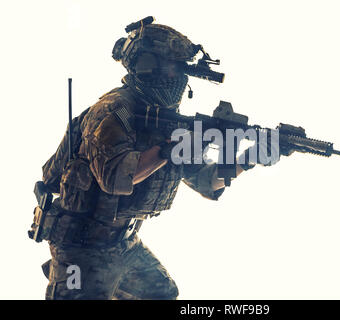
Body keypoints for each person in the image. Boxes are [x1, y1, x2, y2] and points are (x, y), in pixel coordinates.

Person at [37, 17, 290, 300]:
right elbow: (118, 177)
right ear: (147, 68)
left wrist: (250, 157)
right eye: (173, 71)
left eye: (183, 73)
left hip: (123, 243)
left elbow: (208, 184)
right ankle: (69, 280)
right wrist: (170, 149)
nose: (179, 80)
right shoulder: (114, 110)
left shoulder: (164, 119)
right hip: (81, 247)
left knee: (161, 294)